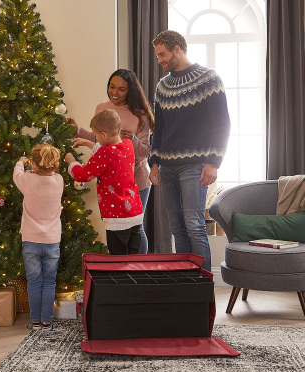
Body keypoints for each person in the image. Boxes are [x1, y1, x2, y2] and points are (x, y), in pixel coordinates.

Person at [149, 30, 230, 272]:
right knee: (177, 227)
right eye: (157, 56)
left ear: (177, 49)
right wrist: (154, 162)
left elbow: (222, 122)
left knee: (194, 224)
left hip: (196, 165)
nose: (160, 60)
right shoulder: (162, 87)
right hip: (167, 166)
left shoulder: (209, 79)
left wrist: (214, 161)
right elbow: (159, 128)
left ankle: (202, 285)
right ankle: (186, 281)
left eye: (162, 54)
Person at [71, 69, 153, 254]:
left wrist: (132, 139)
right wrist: (80, 132)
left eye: (121, 89)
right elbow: (100, 138)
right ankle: (123, 275)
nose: (115, 92)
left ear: (130, 91)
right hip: (112, 183)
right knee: (118, 235)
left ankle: (139, 273)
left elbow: (144, 152)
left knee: (136, 230)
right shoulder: (102, 107)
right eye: (112, 87)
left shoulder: (141, 115)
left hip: (136, 182)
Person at [65, 109, 143, 255]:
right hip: (135, 213)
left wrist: (72, 162)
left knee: (118, 261)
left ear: (104, 135)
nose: (96, 138)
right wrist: (89, 143)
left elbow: (82, 175)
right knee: (132, 260)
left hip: (117, 218)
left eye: (95, 135)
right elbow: (112, 154)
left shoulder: (105, 153)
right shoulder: (127, 145)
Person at [13, 144, 64, 331]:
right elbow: (45, 175)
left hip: (31, 240)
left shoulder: (27, 179)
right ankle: (47, 321)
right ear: (55, 165)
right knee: (49, 282)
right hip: (52, 241)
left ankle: (35, 322)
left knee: (34, 282)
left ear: (33, 165)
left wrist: (20, 162)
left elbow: (17, 175)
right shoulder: (59, 181)